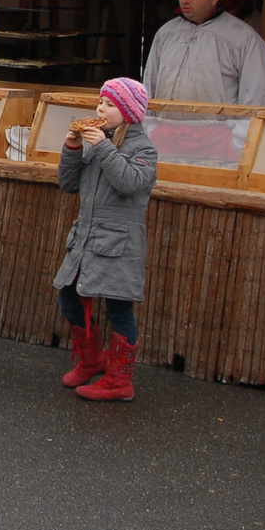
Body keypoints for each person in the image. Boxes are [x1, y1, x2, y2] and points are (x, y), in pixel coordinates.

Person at [55, 78, 157, 403]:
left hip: (120, 243)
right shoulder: (99, 140)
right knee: (68, 298)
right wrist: (72, 146)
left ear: (128, 112)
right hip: (85, 237)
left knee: (119, 308)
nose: (100, 109)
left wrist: (102, 147)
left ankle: (118, 381)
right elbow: (68, 184)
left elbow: (129, 183)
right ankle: (91, 360)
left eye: (110, 105)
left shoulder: (144, 149)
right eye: (100, 102)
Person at [142, 0, 265, 106]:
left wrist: (239, 128)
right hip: (165, 125)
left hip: (220, 127)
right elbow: (150, 82)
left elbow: (258, 94)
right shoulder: (167, 33)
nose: (185, 0)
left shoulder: (243, 38)